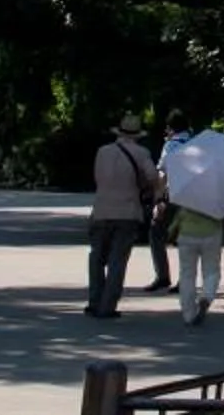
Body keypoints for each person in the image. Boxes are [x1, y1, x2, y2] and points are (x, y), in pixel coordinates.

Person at [85, 113, 160, 318]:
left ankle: (94, 300)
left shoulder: (103, 152)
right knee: (117, 260)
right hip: (127, 211)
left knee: (96, 258)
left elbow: (98, 178)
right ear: (137, 135)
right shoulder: (141, 153)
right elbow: (153, 177)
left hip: (101, 210)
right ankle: (108, 306)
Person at [161, 128, 224, 325]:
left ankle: (188, 313)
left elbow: (180, 210)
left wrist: (172, 229)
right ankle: (206, 297)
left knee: (187, 274)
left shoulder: (187, 179)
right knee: (212, 271)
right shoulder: (220, 183)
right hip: (212, 232)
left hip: (187, 232)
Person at [143, 111, 191, 293]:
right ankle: (185, 279)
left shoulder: (171, 145)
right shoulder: (196, 143)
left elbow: (163, 173)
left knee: (156, 232)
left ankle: (162, 275)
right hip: (194, 197)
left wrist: (158, 199)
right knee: (186, 239)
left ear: (170, 128)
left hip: (174, 196)